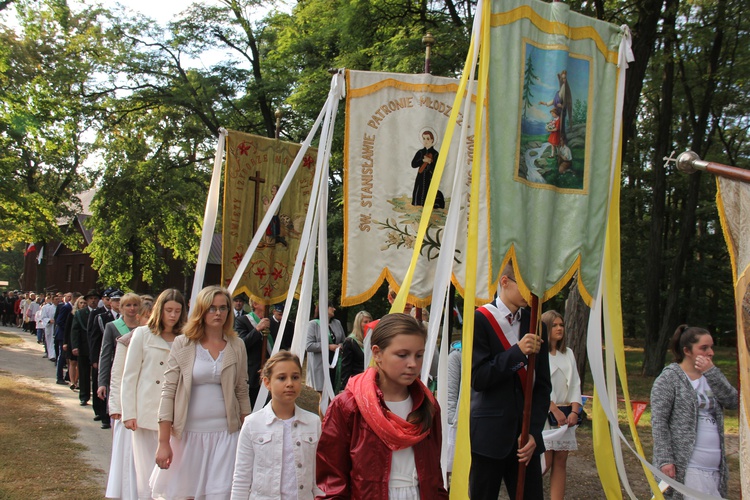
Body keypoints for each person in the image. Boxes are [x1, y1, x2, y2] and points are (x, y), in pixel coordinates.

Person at [316, 313, 448, 498]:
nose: (412, 364)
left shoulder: (428, 405)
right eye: (402, 355)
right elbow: (332, 479)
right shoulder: (348, 406)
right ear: (377, 353)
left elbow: (435, 473)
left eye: (419, 355)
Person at [152, 286, 252, 500]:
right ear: (201, 310)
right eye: (212, 308)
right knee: (186, 493)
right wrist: (163, 442)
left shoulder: (237, 345)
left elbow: (242, 390)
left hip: (226, 434)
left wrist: (248, 430)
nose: (218, 313)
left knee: (221, 493)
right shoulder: (184, 343)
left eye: (223, 308)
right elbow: (168, 391)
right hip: (187, 435)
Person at [469, 262, 551, 500]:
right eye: (525, 286)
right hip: (489, 435)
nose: (531, 293)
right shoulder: (480, 319)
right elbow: (479, 378)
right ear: (504, 282)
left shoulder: (535, 323)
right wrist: (516, 352)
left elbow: (543, 386)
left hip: (525, 439)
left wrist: (534, 431)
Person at [651, 325, 738, 499]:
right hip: (687, 465)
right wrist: (665, 459)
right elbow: (659, 422)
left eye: (711, 347)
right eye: (704, 348)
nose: (710, 352)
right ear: (687, 351)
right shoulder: (669, 378)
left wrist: (711, 372)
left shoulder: (711, 375)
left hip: (714, 468)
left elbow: (733, 401)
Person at [121, 289, 187, 500]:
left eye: (177, 311)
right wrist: (129, 412)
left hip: (175, 413)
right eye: (168, 310)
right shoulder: (142, 334)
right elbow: (129, 375)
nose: (173, 315)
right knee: (145, 475)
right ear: (160, 309)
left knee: (172, 475)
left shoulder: (186, 338)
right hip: (146, 411)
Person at [231, 351, 321, 499]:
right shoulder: (253, 424)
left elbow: (318, 475)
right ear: (267, 382)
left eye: (295, 377)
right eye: (281, 378)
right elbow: (242, 477)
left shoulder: (313, 423)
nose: (290, 383)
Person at [105, 295, 150, 500]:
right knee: (128, 460)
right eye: (146, 316)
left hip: (148, 407)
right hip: (128, 407)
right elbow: (118, 375)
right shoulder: (125, 337)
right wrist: (115, 406)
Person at [540, 310, 582, 500]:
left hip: (567, 414)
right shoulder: (540, 354)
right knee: (545, 461)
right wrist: (553, 409)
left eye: (561, 325)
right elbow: (538, 385)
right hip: (547, 413)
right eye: (555, 325)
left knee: (561, 461)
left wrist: (575, 410)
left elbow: (574, 383)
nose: (559, 329)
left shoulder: (568, 353)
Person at [98, 293, 141, 430]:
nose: (132, 308)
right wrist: (102, 382)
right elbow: (105, 355)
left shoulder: (145, 327)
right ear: (121, 308)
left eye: (135, 305)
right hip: (120, 375)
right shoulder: (112, 326)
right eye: (128, 305)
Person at [236, 299, 271, 407]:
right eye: (264, 300)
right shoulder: (242, 321)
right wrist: (257, 329)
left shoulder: (271, 322)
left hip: (268, 371)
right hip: (251, 373)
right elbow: (242, 344)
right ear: (255, 304)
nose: (269, 302)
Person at [305, 302, 346, 395]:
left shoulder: (337, 323)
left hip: (336, 364)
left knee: (334, 394)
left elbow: (344, 340)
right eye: (332, 307)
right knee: (324, 396)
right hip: (321, 365)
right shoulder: (313, 324)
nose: (334, 309)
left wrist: (340, 345)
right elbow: (309, 346)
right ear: (324, 308)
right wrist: (327, 347)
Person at [71, 289, 101, 406]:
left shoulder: (101, 313)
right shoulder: (80, 313)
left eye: (95, 299)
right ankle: (84, 396)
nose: (93, 301)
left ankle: (97, 398)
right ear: (87, 300)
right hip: (83, 347)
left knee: (96, 374)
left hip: (96, 348)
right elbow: (75, 330)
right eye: (91, 299)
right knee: (83, 373)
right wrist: (75, 346)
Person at [411, 130, 444, 208]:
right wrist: (422, 160)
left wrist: (430, 162)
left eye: (428, 139)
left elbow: (438, 168)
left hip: (430, 177)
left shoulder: (435, 154)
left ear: (432, 140)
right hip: (420, 176)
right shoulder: (420, 152)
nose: (425, 141)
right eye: (424, 138)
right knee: (419, 191)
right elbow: (413, 164)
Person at [340, 310, 372, 391]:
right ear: (358, 324)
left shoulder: (371, 340)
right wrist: (345, 387)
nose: (368, 323)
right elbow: (346, 367)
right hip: (356, 382)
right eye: (365, 322)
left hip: (370, 381)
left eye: (370, 321)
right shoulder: (350, 341)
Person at [64, 295, 86, 391]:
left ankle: (76, 381)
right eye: (81, 303)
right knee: (72, 362)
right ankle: (72, 381)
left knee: (80, 363)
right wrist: (65, 342)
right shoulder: (72, 314)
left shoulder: (88, 314)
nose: (83, 304)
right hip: (72, 340)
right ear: (77, 303)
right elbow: (67, 329)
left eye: (84, 303)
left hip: (83, 341)